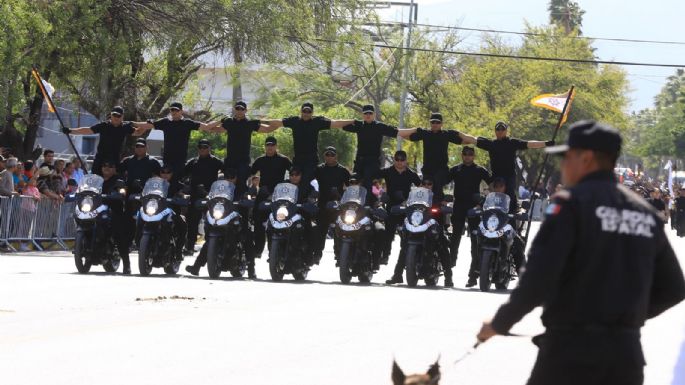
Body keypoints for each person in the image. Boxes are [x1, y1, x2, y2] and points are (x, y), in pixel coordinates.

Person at [476, 120, 685, 385]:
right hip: (625, 357)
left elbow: (538, 278)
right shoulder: (643, 212)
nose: (562, 166)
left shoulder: (571, 205)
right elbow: (675, 288)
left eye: (567, 157)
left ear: (586, 159)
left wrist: (499, 323)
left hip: (569, 353)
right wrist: (623, 319)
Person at [263, 102, 353, 183]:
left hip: (311, 159)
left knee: (306, 180)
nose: (306, 113)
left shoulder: (317, 122)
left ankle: (306, 200)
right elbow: (278, 122)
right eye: (304, 111)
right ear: (301, 111)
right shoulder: (294, 121)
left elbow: (336, 123)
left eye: (308, 111)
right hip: (298, 158)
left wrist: (353, 121)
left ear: (312, 113)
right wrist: (261, 121)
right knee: (295, 179)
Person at [475, 121, 553, 212]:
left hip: (509, 177)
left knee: (510, 196)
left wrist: (546, 143)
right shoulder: (491, 144)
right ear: (495, 131)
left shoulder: (512, 142)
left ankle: (513, 215)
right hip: (496, 177)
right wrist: (456, 134)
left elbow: (529, 144)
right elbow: (472, 140)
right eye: (498, 129)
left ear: (506, 131)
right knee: (493, 196)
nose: (500, 131)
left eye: (502, 129)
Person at [399, 112, 476, 201]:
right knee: (426, 190)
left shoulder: (446, 134)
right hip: (427, 170)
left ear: (442, 124)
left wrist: (459, 133)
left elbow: (467, 141)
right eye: (433, 122)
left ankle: (440, 205)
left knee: (437, 184)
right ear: (430, 123)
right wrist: (415, 129)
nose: (435, 124)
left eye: (437, 122)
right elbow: (405, 136)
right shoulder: (425, 133)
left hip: (441, 170)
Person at [135, 102, 220, 179]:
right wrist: (132, 123)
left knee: (177, 181)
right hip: (167, 159)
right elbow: (148, 125)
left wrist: (221, 121)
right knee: (166, 182)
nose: (174, 112)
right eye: (172, 110)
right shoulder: (165, 122)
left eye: (176, 110)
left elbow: (207, 126)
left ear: (181, 111)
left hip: (180, 160)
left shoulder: (187, 123)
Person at [208, 101, 277, 196]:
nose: (240, 111)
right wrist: (221, 120)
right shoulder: (229, 122)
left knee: (241, 186)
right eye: (237, 109)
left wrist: (262, 120)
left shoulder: (250, 123)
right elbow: (210, 128)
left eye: (242, 109)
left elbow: (269, 129)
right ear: (234, 110)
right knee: (227, 186)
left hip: (243, 161)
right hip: (230, 161)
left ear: (246, 110)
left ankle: (242, 208)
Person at [447, 146, 493, 287]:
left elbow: (493, 185)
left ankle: (473, 276)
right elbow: (442, 181)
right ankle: (449, 272)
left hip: (474, 208)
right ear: (462, 155)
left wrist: (485, 199)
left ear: (474, 156)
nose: (468, 156)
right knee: (454, 239)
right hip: (459, 206)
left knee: (475, 242)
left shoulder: (480, 170)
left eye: (470, 154)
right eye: (465, 154)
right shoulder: (455, 169)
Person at [341, 105, 408, 191]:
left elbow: (396, 132)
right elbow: (343, 126)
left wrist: (414, 131)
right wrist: (354, 120)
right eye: (365, 113)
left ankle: (368, 204)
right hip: (359, 161)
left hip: (373, 161)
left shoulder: (379, 126)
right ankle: (353, 202)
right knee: (354, 179)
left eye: (370, 113)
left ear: (374, 114)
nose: (368, 115)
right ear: (362, 115)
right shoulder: (359, 125)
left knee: (367, 180)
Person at [65, 106, 148, 174]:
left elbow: (138, 132)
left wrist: (144, 124)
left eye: (118, 116)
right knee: (96, 178)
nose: (116, 117)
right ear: (111, 115)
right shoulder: (104, 125)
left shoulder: (125, 127)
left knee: (115, 180)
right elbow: (88, 130)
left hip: (115, 159)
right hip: (101, 158)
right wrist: (70, 131)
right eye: (114, 115)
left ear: (122, 117)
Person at [381, 150, 422, 285]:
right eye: (397, 159)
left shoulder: (411, 173)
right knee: (387, 233)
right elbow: (371, 178)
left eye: (402, 159)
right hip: (391, 208)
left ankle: (399, 273)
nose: (399, 162)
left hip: (406, 210)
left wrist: (413, 200)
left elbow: (421, 188)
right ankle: (384, 256)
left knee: (406, 243)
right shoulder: (387, 171)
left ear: (406, 160)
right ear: (394, 160)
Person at [250, 136, 292, 259]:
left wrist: (287, 183)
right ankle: (257, 250)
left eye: (272, 145)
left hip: (279, 195)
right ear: (265, 146)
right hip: (263, 194)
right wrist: (250, 186)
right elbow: (250, 173)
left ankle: (274, 253)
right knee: (258, 223)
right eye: (268, 145)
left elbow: (294, 172)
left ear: (276, 146)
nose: (270, 147)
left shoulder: (283, 160)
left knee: (277, 223)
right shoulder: (260, 160)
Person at [183, 139, 224, 255]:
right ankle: (190, 246)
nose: (203, 149)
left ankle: (210, 246)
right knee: (192, 223)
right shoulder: (193, 162)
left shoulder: (216, 161)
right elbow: (182, 174)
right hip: (195, 195)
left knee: (212, 221)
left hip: (211, 195)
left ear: (209, 148)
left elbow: (227, 173)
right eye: (200, 147)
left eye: (205, 147)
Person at [313, 146, 351, 264]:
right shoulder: (319, 169)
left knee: (339, 231)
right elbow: (310, 182)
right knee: (320, 231)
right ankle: (317, 255)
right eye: (327, 155)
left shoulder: (343, 170)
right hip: (322, 204)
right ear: (324, 156)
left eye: (332, 155)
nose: (330, 157)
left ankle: (340, 256)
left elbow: (351, 186)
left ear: (336, 156)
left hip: (338, 205)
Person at [100, 160, 132, 274]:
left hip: (113, 211)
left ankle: (126, 264)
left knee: (119, 235)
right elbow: (85, 188)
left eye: (110, 166)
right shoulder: (98, 180)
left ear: (114, 169)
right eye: (104, 165)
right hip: (96, 210)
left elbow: (123, 191)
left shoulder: (118, 181)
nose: (106, 168)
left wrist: (120, 193)